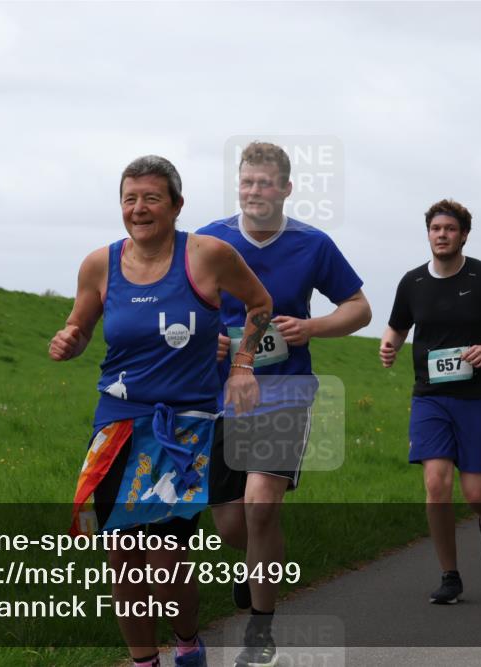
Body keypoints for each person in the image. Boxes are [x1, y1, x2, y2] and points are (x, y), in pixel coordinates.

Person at [50, 155, 272, 667]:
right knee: (123, 559)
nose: (139, 208)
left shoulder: (207, 256)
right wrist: (70, 340)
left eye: (151, 198)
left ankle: (187, 642)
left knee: (166, 562)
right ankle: (144, 660)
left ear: (176, 205)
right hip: (117, 426)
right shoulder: (99, 264)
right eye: (129, 199)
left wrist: (242, 365)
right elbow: (80, 327)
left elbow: (260, 304)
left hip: (184, 429)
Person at [198, 141, 371, 665]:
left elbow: (359, 308)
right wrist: (210, 339)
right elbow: (182, 307)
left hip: (285, 391)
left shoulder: (312, 244)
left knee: (261, 504)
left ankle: (260, 631)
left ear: (287, 188)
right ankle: (255, 566)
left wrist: (313, 327)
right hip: (222, 393)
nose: (254, 191)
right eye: (247, 182)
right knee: (232, 524)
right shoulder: (209, 241)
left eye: (265, 183)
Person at [381, 198, 481, 605]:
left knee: (476, 492)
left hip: (478, 398)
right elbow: (397, 326)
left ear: (464, 235)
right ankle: (450, 575)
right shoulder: (412, 282)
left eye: (449, 229)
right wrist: (389, 345)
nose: (441, 235)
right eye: (435, 229)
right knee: (436, 483)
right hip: (430, 397)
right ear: (428, 234)